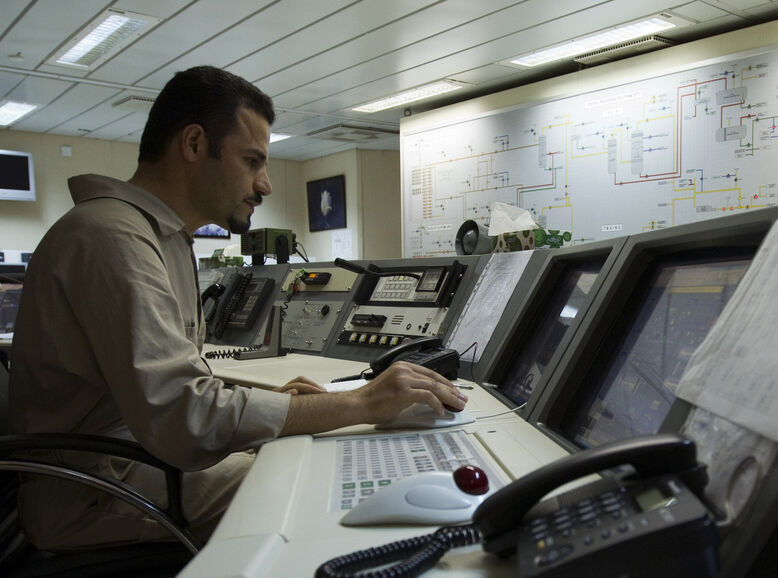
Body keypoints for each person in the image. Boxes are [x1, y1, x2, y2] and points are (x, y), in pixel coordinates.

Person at [8, 66, 465, 551]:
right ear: (194, 144)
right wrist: (361, 402)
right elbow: (185, 417)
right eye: (252, 161)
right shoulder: (110, 238)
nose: (264, 184)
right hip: (94, 490)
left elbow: (169, 395)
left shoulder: (160, 237)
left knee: (295, 451)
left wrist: (290, 409)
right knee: (309, 487)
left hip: (133, 457)